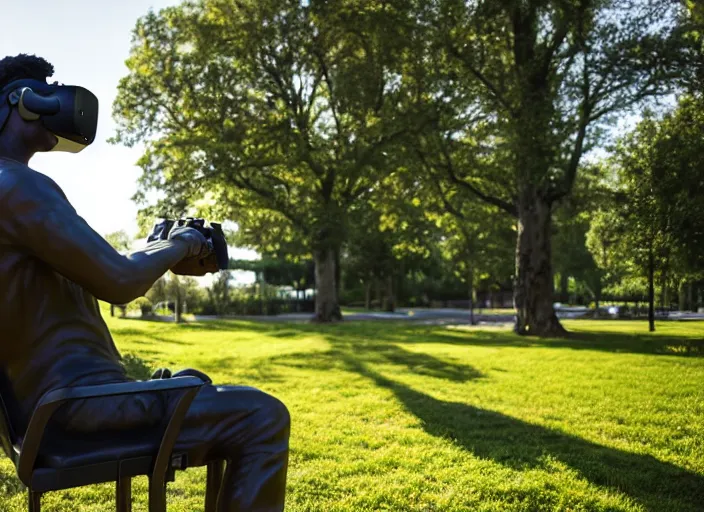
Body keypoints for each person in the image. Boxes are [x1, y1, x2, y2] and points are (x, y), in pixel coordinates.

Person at [0, 54, 289, 512]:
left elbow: (104, 267)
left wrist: (160, 251)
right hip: (78, 409)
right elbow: (119, 280)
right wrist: (184, 242)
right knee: (261, 415)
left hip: (56, 411)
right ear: (23, 101)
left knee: (199, 384)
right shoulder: (17, 187)